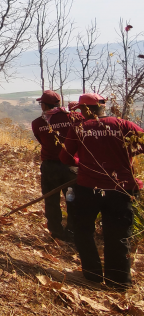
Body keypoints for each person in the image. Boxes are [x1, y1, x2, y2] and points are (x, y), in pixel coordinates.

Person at [60, 93, 143, 288]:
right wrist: (128, 154)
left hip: (89, 188)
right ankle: (119, 281)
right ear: (102, 107)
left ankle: (92, 274)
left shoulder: (79, 128)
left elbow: (65, 158)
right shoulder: (125, 125)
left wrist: (82, 164)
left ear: (85, 110)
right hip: (121, 189)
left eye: (81, 109)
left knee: (83, 230)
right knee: (118, 234)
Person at [31, 90, 82, 242]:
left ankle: (56, 231)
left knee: (51, 199)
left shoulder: (38, 123)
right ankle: (73, 231)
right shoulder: (74, 117)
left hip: (50, 167)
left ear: (45, 105)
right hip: (72, 167)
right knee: (73, 200)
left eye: (42, 104)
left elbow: (42, 141)